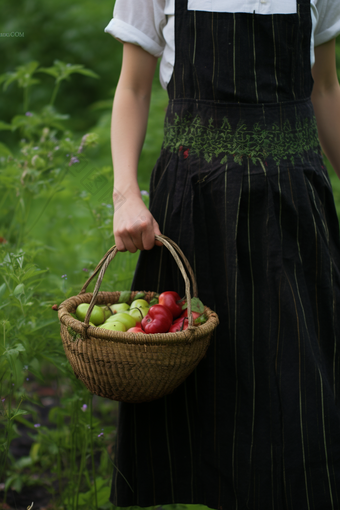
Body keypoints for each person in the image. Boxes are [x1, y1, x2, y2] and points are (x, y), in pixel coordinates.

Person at [104, 0, 340, 508]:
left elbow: (325, 87)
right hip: (196, 203)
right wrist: (126, 197)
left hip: (294, 205)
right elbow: (134, 88)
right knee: (200, 390)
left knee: (305, 385)